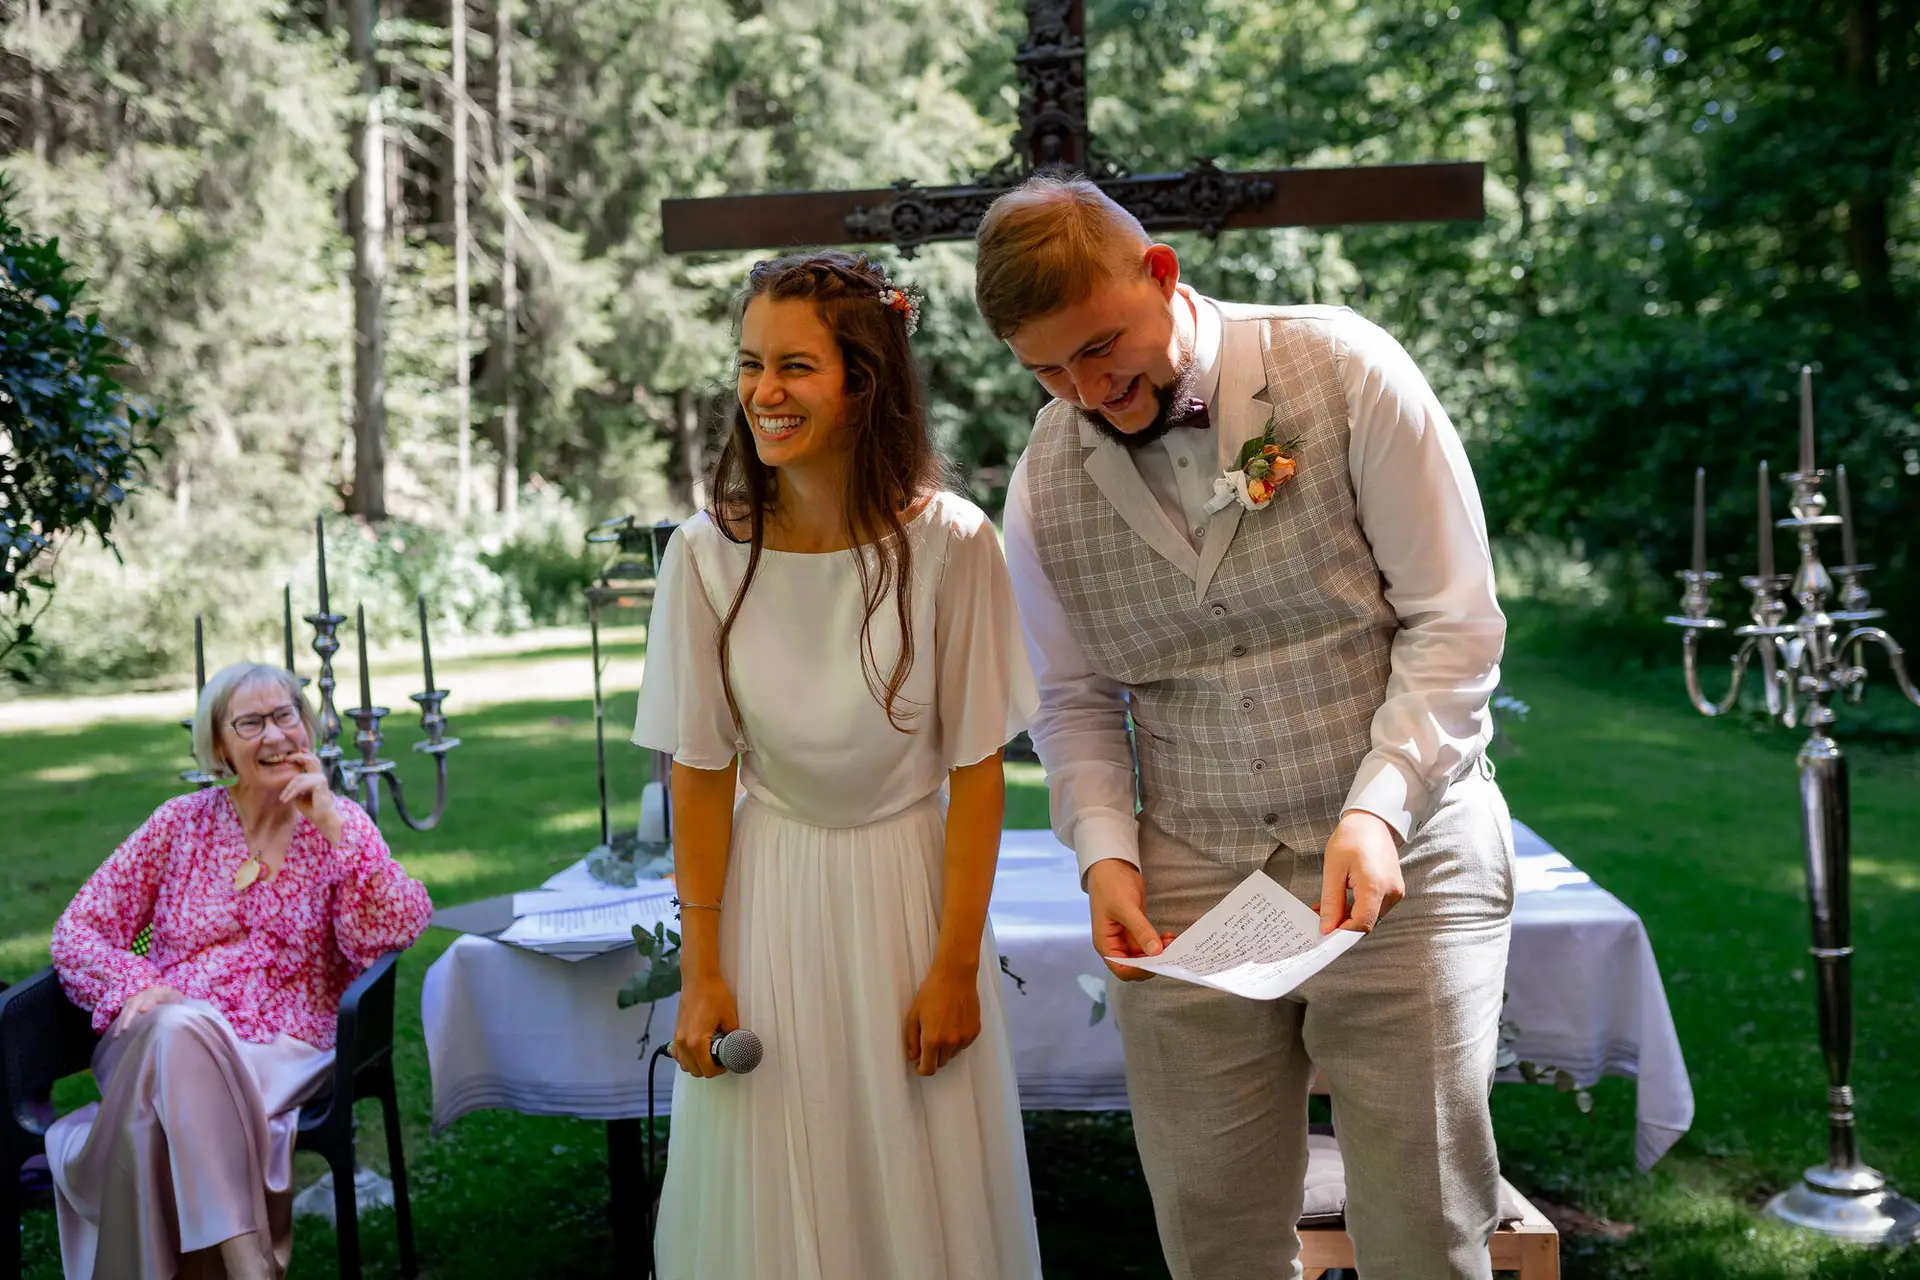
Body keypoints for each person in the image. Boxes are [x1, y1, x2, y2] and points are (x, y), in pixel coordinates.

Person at [980, 171, 1515, 1280]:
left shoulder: (1344, 366)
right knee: (1209, 1224)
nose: (1086, 387)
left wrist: (1380, 805)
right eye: (1046, 368)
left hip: (1404, 848)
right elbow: (1072, 697)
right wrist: (1104, 855)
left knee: (1425, 1225)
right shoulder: (1042, 476)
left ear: (1163, 276)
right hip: (1189, 873)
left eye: (1101, 345)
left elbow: (1452, 621)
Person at [632, 250, 1043, 1279]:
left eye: (795, 367)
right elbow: (701, 768)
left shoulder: (956, 544)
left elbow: (978, 770)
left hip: (912, 900)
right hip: (767, 898)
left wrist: (956, 967)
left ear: (864, 382)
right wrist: (703, 969)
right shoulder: (703, 555)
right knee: (768, 1184)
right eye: (749, 364)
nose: (764, 392)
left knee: (921, 1175)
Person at [47, 661, 433, 1280]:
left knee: (180, 1050)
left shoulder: (340, 826)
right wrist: (136, 985)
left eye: (286, 716)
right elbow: (78, 930)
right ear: (220, 745)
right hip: (159, 1035)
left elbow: (393, 929)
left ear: (307, 727)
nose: (275, 737)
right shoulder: (178, 824)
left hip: (284, 1045)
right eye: (250, 723)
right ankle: (247, 1261)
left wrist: (333, 827)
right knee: (178, 1031)